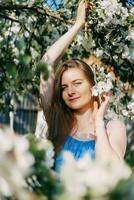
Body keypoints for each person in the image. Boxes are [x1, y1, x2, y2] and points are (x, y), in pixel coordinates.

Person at [40, 0, 127, 171]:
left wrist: (98, 122)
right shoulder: (58, 120)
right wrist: (78, 24)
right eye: (64, 87)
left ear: (92, 86)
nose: (70, 91)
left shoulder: (113, 128)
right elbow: (46, 63)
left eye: (77, 83)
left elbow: (112, 171)